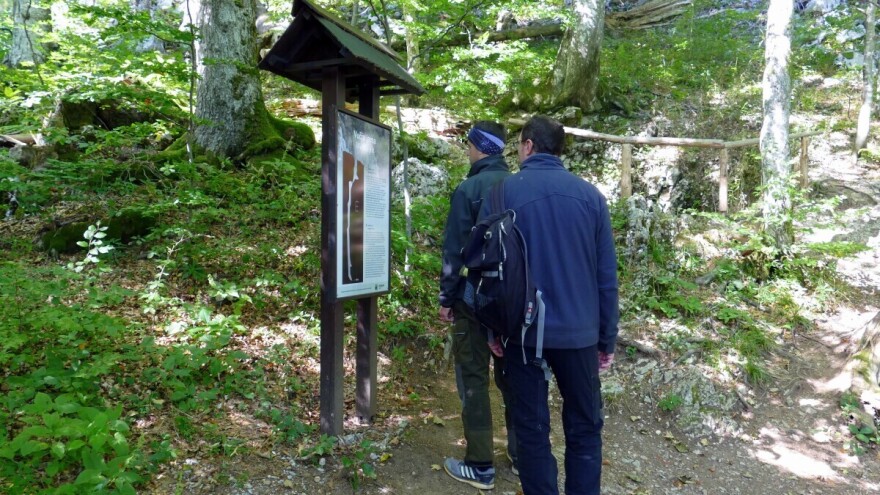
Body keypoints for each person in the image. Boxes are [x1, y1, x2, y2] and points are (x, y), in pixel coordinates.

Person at [488, 115, 619, 495]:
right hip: (579, 333)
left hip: (521, 332)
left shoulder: (502, 192)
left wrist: (492, 329)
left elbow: (489, 270)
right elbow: (605, 277)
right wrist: (606, 339)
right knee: (584, 426)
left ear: (527, 145)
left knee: (531, 428)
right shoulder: (591, 197)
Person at [439, 121, 517, 490]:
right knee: (514, 378)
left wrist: (447, 298)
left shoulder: (469, 188)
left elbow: (454, 251)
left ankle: (480, 464)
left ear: (479, 147)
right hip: (517, 302)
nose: (467, 150)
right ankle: (521, 455)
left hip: (475, 299)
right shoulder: (520, 186)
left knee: (473, 375)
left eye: (469, 144)